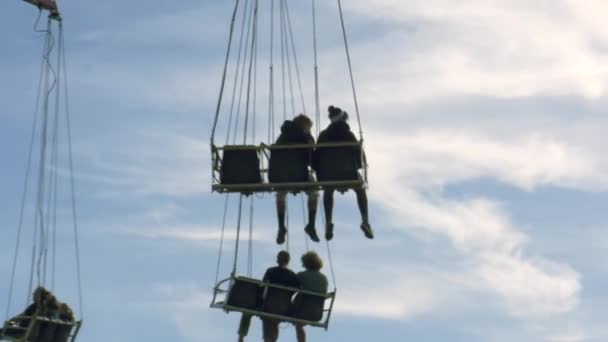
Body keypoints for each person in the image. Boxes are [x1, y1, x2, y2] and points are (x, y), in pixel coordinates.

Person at [313, 105, 374, 240]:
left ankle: (329, 221)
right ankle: (365, 221)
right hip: (348, 173)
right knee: (360, 189)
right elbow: (361, 158)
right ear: (343, 120)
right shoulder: (349, 135)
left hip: (327, 175)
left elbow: (315, 158)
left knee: (328, 190)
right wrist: (356, 167)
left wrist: (320, 172)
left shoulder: (323, 135)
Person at [270, 114, 320, 244]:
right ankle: (311, 224)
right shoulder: (305, 137)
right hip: (299, 175)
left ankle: (281, 226)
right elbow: (310, 158)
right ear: (305, 126)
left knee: (280, 194)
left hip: (280, 176)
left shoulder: (282, 136)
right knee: (314, 190)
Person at [237, 251, 300, 342]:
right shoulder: (292, 276)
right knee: (272, 317)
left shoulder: (270, 271)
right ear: (288, 261)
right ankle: (269, 340)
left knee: (250, 311)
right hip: (284, 308)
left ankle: (241, 337)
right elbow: (296, 290)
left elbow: (263, 287)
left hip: (268, 306)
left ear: (277, 260)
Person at [294, 251, 328, 342]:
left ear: (305, 263)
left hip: (301, 311)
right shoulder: (324, 278)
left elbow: (291, 288)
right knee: (299, 324)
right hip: (317, 313)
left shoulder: (302, 275)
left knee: (298, 324)